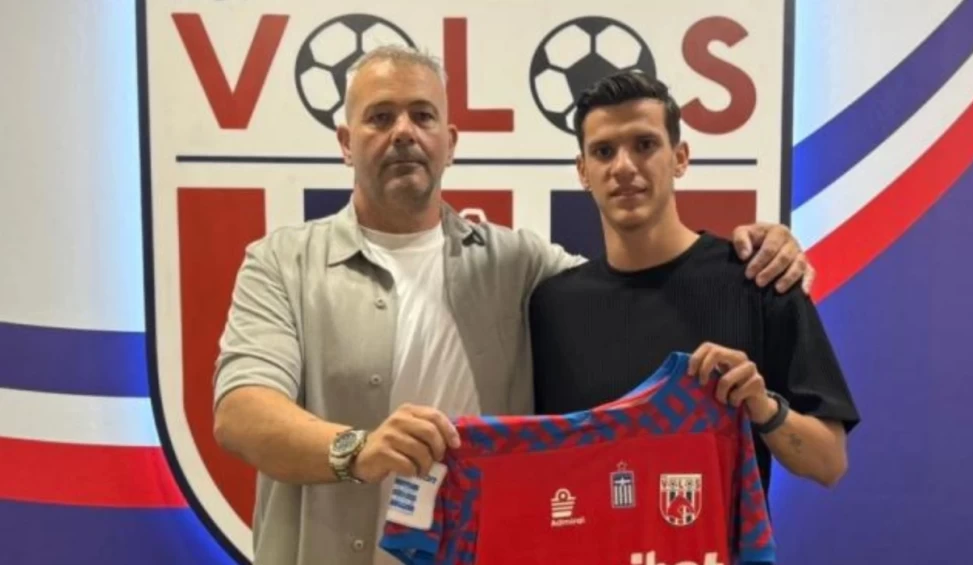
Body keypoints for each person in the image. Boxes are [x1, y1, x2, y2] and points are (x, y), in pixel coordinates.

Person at [211, 46, 815, 565]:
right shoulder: (281, 263)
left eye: (423, 115)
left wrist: (754, 250)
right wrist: (358, 450)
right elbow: (240, 413)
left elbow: (635, 277)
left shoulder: (519, 263)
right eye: (380, 117)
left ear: (449, 143)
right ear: (346, 143)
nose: (404, 132)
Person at [528, 70, 860, 499]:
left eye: (644, 145)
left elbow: (829, 462)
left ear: (680, 157)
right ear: (583, 171)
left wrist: (763, 407)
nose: (624, 167)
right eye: (604, 151)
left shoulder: (759, 279)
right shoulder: (551, 307)